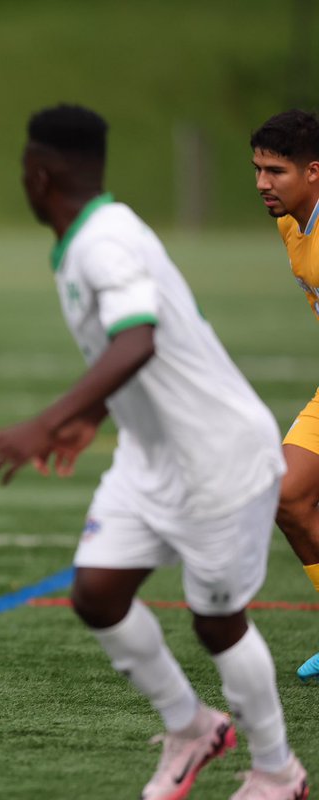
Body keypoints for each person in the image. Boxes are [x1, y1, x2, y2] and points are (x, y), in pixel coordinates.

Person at [0, 104, 307, 799]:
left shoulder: (105, 242)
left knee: (217, 622)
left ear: (39, 174)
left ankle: (279, 772)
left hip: (219, 457)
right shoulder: (90, 237)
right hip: (152, 457)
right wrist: (91, 416)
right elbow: (141, 345)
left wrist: (46, 423)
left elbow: (138, 338)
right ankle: (193, 727)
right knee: (97, 593)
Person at [250, 109, 319, 682]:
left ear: (313, 171)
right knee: (287, 496)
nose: (262, 183)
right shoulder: (291, 224)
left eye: (276, 171)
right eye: (257, 169)